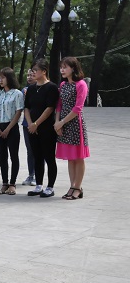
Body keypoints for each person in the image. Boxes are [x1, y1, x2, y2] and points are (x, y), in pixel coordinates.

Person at [54, 56, 89, 200]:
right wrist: (57, 122)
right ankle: (72, 186)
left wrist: (62, 122)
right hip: (63, 124)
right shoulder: (63, 85)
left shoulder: (81, 84)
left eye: (65, 67)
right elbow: (59, 105)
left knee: (78, 157)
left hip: (75, 124)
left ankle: (77, 187)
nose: (62, 70)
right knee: (70, 158)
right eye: (61, 67)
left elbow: (78, 108)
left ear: (73, 68)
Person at [24, 59, 59, 197]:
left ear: (44, 71)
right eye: (32, 70)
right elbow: (27, 107)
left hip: (46, 128)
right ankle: (38, 185)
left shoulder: (51, 87)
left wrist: (36, 124)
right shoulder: (31, 88)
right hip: (32, 128)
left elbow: (50, 108)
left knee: (49, 157)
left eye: (35, 70)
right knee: (37, 156)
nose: (33, 73)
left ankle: (50, 187)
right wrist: (30, 123)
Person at [0, 67, 24, 194]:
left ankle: (12, 183)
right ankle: (4, 183)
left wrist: (8, 128)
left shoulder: (17, 93)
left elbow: (18, 112)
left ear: (10, 78)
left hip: (11, 127)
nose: (0, 80)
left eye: (3, 77)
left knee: (13, 156)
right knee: (2, 156)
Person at [21, 68, 37, 185]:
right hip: (27, 124)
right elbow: (23, 107)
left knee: (39, 151)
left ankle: (37, 175)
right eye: (28, 75)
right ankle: (31, 174)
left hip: (39, 124)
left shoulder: (43, 89)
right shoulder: (24, 90)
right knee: (30, 151)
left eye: (32, 75)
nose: (29, 77)